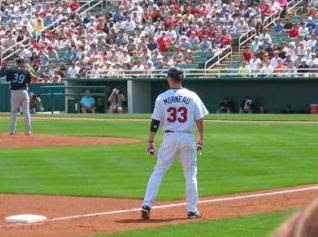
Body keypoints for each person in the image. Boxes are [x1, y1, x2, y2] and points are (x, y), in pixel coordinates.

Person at [141, 68, 209, 220]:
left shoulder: (161, 97)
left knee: (158, 171)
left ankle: (146, 204)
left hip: (169, 138)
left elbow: (155, 122)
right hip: (187, 137)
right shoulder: (192, 96)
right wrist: (201, 137)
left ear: (171, 79)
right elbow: (200, 119)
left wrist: (151, 141)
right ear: (181, 79)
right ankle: (192, 210)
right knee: (190, 174)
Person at [0, 58, 34, 135]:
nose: (24, 64)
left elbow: (8, 79)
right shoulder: (26, 71)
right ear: (22, 63)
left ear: (17, 63)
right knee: (26, 112)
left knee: (14, 112)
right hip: (24, 92)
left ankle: (12, 131)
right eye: (23, 63)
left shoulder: (11, 70)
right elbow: (29, 81)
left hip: (15, 92)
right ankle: (28, 131)